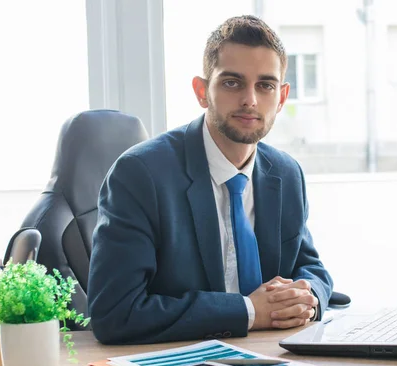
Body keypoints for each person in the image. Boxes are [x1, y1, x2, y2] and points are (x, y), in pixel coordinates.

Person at [87, 15, 334, 344]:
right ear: (202, 91)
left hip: (273, 358)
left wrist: (307, 298)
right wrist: (248, 311)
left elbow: (311, 268)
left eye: (265, 85)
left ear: (282, 96)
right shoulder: (139, 175)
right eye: (232, 82)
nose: (250, 99)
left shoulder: (285, 173)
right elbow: (115, 313)